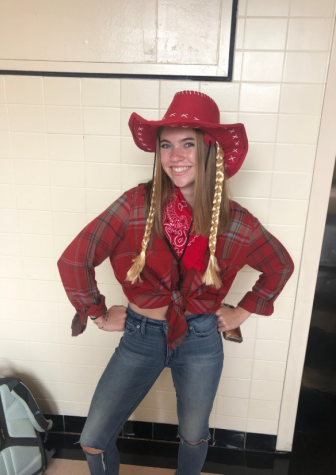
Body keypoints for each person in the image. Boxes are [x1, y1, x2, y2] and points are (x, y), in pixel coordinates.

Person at [57, 90, 294, 475]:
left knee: (194, 435)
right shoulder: (135, 204)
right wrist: (96, 313)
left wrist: (242, 312)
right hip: (140, 334)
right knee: (94, 438)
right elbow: (73, 259)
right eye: (166, 145)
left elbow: (280, 266)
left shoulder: (238, 222)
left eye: (188, 144)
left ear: (210, 152)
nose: (174, 156)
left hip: (201, 339)